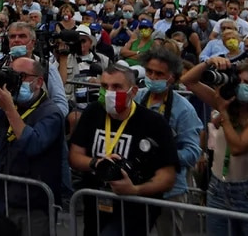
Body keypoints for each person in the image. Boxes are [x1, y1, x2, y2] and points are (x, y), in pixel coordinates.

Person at [69, 62, 178, 236]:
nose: (109, 92)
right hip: (95, 204)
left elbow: (167, 177)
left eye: (117, 86)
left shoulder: (154, 123)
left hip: (134, 210)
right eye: (105, 86)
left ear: (133, 91)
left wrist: (135, 190)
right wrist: (96, 163)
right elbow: (75, 155)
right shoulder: (93, 112)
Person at [181, 57, 248, 236]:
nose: (242, 85)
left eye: (247, 82)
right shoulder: (228, 106)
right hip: (217, 189)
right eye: (238, 81)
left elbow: (238, 148)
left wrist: (223, 113)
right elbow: (188, 81)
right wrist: (209, 62)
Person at [0, 56, 64, 235]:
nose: (16, 81)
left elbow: (33, 144)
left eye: (22, 76)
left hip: (35, 204)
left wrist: (9, 109)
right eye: (13, 75)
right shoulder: (13, 107)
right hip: (4, 197)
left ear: (38, 82)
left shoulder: (51, 113)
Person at [136, 48, 203, 236]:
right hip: (137, 185)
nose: (152, 77)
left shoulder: (184, 110)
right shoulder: (136, 97)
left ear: (171, 78)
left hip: (170, 190)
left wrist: (163, 157)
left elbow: (193, 152)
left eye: (159, 74)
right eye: (149, 71)